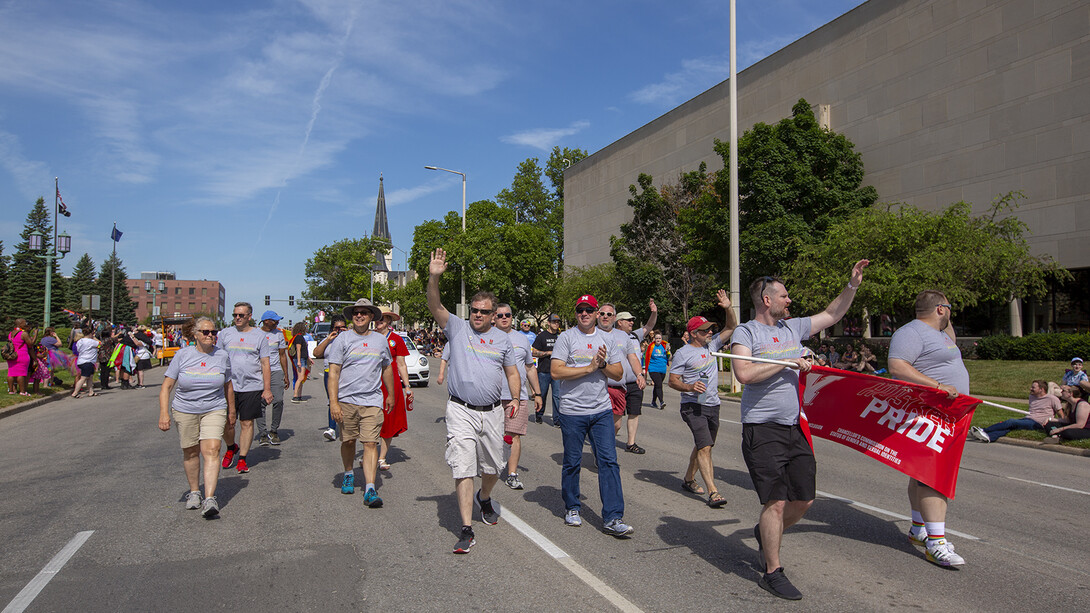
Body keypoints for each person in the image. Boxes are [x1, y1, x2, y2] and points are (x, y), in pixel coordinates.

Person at [730, 261, 869, 600]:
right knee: (775, 502)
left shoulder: (792, 329)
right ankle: (772, 571)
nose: (788, 301)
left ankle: (766, 532)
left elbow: (831, 315)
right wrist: (787, 364)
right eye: (784, 295)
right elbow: (744, 374)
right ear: (767, 300)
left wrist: (851, 285)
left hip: (795, 426)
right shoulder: (746, 332)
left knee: (804, 500)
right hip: (762, 428)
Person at [426, 248, 521, 554]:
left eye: (483, 311)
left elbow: (512, 373)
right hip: (460, 410)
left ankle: (485, 497)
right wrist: (434, 276)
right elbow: (434, 304)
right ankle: (466, 529)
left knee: (494, 467)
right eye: (474, 310)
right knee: (463, 467)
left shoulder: (503, 340)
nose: (477, 315)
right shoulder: (457, 327)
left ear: (495, 315)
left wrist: (515, 398)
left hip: (492, 412)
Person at [888, 289, 969, 569]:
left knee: (921, 475)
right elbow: (897, 366)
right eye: (949, 308)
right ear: (940, 309)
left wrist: (945, 310)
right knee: (934, 477)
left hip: (950, 415)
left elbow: (951, 343)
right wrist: (937, 386)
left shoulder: (941, 334)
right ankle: (936, 543)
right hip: (930, 414)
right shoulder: (912, 332)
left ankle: (918, 529)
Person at [551, 293, 633, 538]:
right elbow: (556, 371)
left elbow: (618, 374)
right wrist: (589, 367)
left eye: (589, 310)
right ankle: (572, 507)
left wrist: (603, 364)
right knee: (572, 462)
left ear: (598, 314)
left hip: (600, 411)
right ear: (576, 313)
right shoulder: (566, 338)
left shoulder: (607, 339)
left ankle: (613, 516)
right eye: (580, 310)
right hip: (572, 411)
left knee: (609, 461)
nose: (584, 314)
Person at [158, 317, 235, 518]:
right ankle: (194, 492)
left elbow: (228, 385)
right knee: (191, 451)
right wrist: (164, 413)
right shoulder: (182, 355)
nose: (211, 335)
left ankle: (210, 498)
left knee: (212, 449)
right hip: (185, 409)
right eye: (206, 332)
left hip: (214, 408)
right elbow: (166, 387)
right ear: (196, 334)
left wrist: (231, 411)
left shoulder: (222, 356)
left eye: (213, 332)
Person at [326, 298, 396, 508]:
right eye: (356, 312)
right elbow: (334, 372)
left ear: (371, 317)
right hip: (346, 400)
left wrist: (391, 394)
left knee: (370, 443)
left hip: (372, 400)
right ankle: (348, 473)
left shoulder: (380, 340)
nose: (359, 315)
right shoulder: (343, 339)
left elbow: (387, 368)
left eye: (364, 312)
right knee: (348, 441)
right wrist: (334, 402)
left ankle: (370, 488)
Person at [668, 290, 736, 508]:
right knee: (705, 447)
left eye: (710, 329)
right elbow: (673, 381)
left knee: (703, 445)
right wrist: (690, 386)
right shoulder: (683, 353)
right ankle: (713, 492)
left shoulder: (712, 345)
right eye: (705, 330)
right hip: (692, 406)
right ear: (693, 333)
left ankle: (688, 479)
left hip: (712, 404)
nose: (710, 332)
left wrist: (728, 307)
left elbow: (731, 327)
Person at [217, 301, 274, 475]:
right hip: (228, 386)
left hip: (251, 386)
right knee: (226, 423)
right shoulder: (225, 334)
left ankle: (242, 458)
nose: (237, 318)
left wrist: (267, 388)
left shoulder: (259, 336)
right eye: (235, 315)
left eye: (241, 315)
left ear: (249, 316)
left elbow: (265, 363)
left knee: (247, 423)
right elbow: (217, 358)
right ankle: (231, 447)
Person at [494, 303, 542, 490]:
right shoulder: (487, 338)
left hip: (517, 396)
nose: (504, 318)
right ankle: (489, 467)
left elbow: (530, 367)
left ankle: (512, 474)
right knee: (492, 436)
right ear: (494, 318)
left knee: (514, 436)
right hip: (492, 397)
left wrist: (537, 393)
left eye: (508, 315)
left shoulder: (522, 340)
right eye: (500, 315)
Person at [611, 303, 658, 453]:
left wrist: (654, 312)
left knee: (634, 412)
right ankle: (607, 443)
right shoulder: (610, 335)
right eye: (628, 320)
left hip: (635, 382)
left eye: (632, 320)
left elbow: (649, 326)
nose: (631, 322)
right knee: (616, 420)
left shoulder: (635, 335)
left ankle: (631, 443)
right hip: (617, 384)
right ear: (619, 322)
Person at [374, 307, 411, 471]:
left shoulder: (397, 339)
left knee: (388, 419)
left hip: (391, 384)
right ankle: (370, 455)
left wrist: (407, 387)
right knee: (372, 419)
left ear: (389, 320)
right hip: (373, 383)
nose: (379, 321)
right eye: (377, 318)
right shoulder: (370, 338)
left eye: (383, 318)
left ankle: (381, 457)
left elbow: (402, 364)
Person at [970, 380, 1061, 443]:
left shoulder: (1052, 399)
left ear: (1041, 389)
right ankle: (989, 437)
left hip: (1039, 424)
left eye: (1033, 387)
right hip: (1029, 419)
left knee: (1011, 421)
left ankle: (984, 430)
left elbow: (1061, 415)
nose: (1030, 389)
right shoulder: (1032, 397)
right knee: (1010, 427)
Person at [257, 311, 291, 446]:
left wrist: (286, 374)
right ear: (266, 321)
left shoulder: (279, 334)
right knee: (260, 402)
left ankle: (274, 431)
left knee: (278, 400)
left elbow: (282, 355)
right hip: (259, 372)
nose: (277, 323)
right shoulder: (257, 334)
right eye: (274, 321)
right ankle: (263, 433)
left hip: (276, 370)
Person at [311, 315, 347, 441]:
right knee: (332, 399)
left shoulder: (349, 339)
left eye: (343, 327)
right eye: (337, 328)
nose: (340, 330)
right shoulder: (329, 340)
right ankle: (332, 428)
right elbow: (316, 353)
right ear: (332, 329)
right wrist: (328, 339)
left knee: (346, 400)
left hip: (345, 372)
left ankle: (347, 426)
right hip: (329, 372)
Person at [531, 314, 562, 426]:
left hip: (557, 372)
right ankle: (539, 415)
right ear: (548, 322)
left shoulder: (560, 337)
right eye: (554, 322)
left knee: (557, 396)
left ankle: (557, 419)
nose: (556, 324)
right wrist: (548, 353)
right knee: (542, 394)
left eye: (558, 322)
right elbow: (534, 352)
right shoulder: (542, 336)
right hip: (544, 371)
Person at [71, 326, 101, 398]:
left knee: (90, 377)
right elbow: (100, 344)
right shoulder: (92, 341)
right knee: (83, 378)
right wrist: (94, 338)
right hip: (88, 361)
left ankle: (91, 391)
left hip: (81, 360)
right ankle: (75, 393)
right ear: (90, 334)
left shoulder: (80, 341)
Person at [6, 319, 33, 396]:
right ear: (20, 324)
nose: (26, 323)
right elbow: (30, 344)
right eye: (24, 322)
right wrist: (35, 335)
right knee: (21, 374)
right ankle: (22, 391)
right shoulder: (23, 333)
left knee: (11, 373)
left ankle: (11, 390)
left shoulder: (11, 333)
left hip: (12, 355)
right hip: (22, 355)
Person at [644, 332, 671, 410]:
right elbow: (645, 357)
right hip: (653, 369)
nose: (658, 340)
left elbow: (669, 358)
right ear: (654, 339)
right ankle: (662, 401)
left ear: (661, 339)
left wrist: (668, 351)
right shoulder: (651, 347)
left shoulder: (665, 346)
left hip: (662, 369)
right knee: (659, 385)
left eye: (659, 338)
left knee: (657, 385)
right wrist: (644, 369)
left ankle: (653, 402)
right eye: (656, 338)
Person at [289, 322, 311, 403]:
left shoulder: (299, 337)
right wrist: (298, 361)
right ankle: (295, 396)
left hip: (303, 359)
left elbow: (303, 350)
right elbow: (298, 349)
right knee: (300, 378)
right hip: (300, 359)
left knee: (301, 378)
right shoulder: (298, 337)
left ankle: (299, 396)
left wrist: (309, 358)